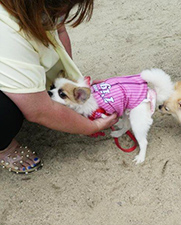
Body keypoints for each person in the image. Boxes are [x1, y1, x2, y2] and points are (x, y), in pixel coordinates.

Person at [0, 0, 118, 174]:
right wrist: (93, 127)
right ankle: (4, 147)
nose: (60, 19)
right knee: (7, 111)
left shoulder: (33, 10)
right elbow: (38, 110)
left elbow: (59, 31)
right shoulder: (6, 32)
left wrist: (74, 84)